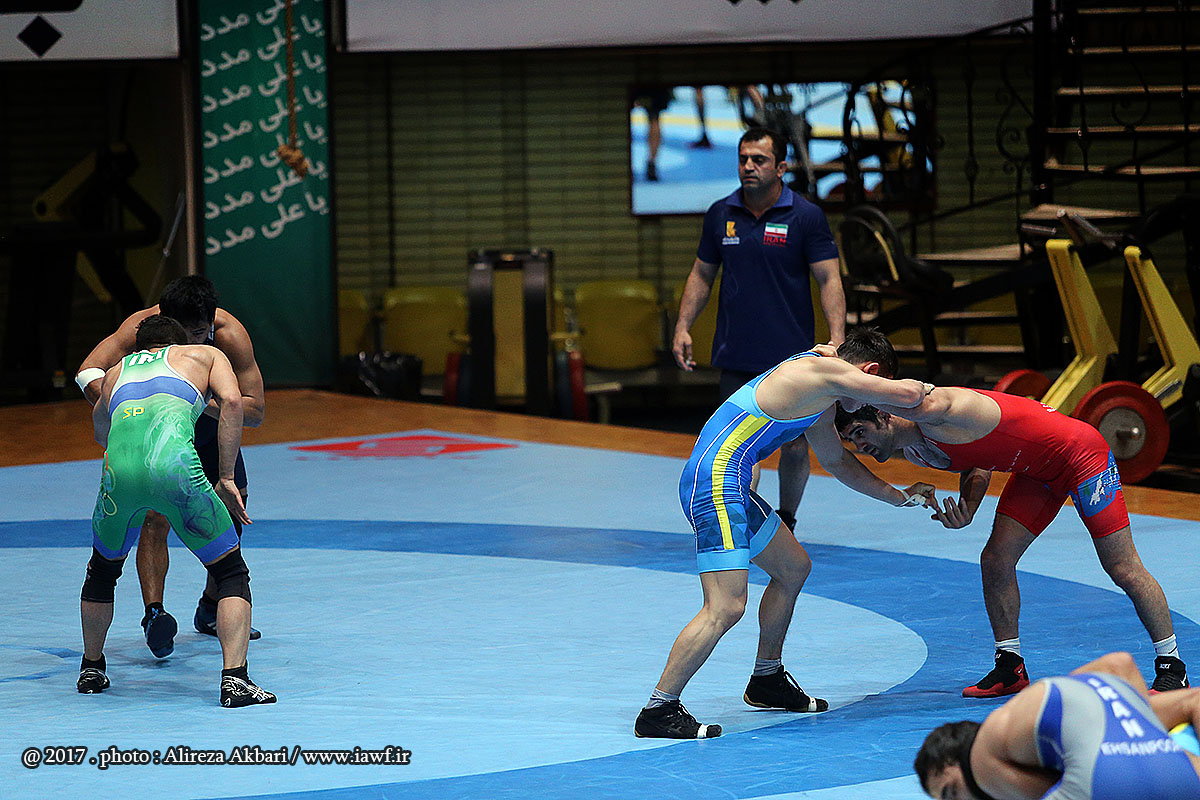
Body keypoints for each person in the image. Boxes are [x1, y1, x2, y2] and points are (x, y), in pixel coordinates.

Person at [635, 328, 936, 739]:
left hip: (729, 482)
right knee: (726, 606)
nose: (868, 406)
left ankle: (767, 678)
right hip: (716, 481)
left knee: (793, 568)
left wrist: (898, 497)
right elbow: (909, 394)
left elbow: (837, 462)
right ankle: (659, 708)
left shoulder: (823, 395)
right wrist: (943, 397)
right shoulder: (822, 372)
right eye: (872, 393)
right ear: (870, 372)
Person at [835, 387, 1189, 697]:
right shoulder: (917, 451)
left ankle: (1173, 668)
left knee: (1122, 567)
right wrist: (969, 508)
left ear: (885, 415)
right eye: (852, 440)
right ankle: (1010, 666)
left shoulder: (939, 410)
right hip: (1038, 472)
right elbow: (977, 463)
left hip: (1082, 455)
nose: (860, 446)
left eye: (861, 432)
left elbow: (921, 397)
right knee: (995, 560)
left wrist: (857, 382)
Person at [79, 315, 274, 708]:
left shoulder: (116, 372)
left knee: (102, 571)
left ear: (141, 348)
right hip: (175, 469)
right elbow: (234, 402)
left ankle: (92, 668)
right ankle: (235, 681)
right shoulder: (203, 354)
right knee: (230, 572)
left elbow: (101, 430)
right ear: (178, 342)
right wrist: (226, 476)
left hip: (119, 475)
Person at [672, 126, 846, 536]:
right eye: (743, 159)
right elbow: (701, 274)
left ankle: (787, 519)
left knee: (795, 444)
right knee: (735, 450)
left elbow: (829, 279)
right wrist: (682, 326)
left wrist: (838, 339)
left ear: (781, 167)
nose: (748, 166)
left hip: (792, 357)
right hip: (736, 353)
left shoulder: (806, 216)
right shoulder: (721, 213)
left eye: (759, 160)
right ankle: (742, 524)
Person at [914, 651, 1200, 799]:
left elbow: (1044, 792)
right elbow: (1122, 662)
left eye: (952, 793)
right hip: (1182, 774)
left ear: (959, 758)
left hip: (1102, 783)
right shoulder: (1122, 703)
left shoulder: (980, 756)